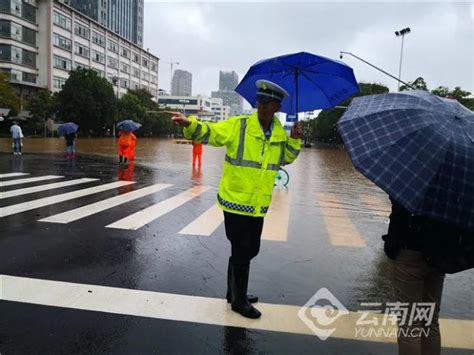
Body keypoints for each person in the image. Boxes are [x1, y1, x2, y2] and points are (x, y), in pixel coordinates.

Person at [169, 80, 303, 319]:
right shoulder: (239, 125)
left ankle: (234, 292)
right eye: (259, 101)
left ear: (277, 107)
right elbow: (212, 133)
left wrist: (294, 140)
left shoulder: (280, 133)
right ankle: (239, 301)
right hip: (235, 200)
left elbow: (285, 159)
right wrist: (190, 124)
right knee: (243, 249)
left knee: (247, 250)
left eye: (267, 103)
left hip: (258, 204)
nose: (261, 106)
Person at [383, 198, 445, 355]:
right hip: (438, 252)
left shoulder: (410, 178)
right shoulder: (451, 180)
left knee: (409, 325)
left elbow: (396, 197)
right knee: (429, 321)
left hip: (408, 249)